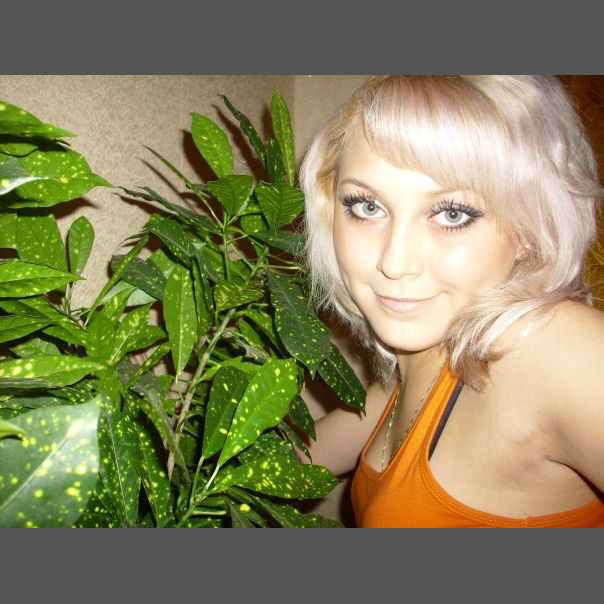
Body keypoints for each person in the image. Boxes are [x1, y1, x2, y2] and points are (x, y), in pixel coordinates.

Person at [298, 75, 604, 527]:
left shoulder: (555, 351)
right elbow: (284, 467)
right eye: (367, 206)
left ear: (528, 228)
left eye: (452, 214)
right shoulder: (418, 367)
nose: (395, 262)